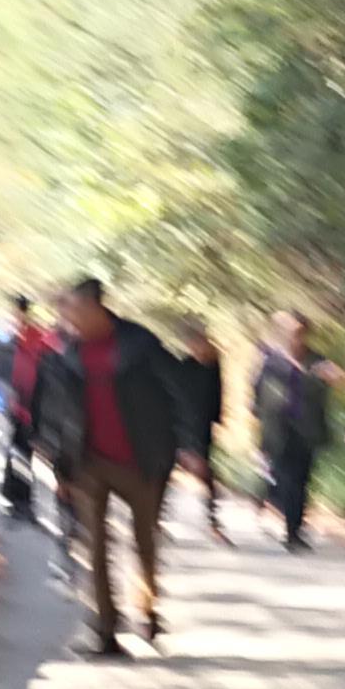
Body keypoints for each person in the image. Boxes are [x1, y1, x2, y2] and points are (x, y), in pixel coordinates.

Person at [32, 274, 182, 656]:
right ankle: (105, 631)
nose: (68, 317)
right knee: (94, 547)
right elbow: (53, 411)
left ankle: (146, 610)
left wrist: (187, 448)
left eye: (74, 309)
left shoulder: (140, 344)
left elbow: (177, 393)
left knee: (144, 542)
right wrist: (55, 461)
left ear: (96, 306)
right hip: (87, 463)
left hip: (141, 460)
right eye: (64, 310)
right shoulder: (63, 354)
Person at [250, 309, 337, 552]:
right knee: (287, 479)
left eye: (299, 332)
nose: (295, 336)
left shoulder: (317, 360)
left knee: (302, 481)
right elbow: (257, 394)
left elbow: (330, 386)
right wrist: (259, 422)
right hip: (278, 431)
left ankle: (294, 530)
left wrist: (330, 377)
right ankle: (291, 531)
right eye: (290, 331)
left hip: (307, 431)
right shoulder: (269, 360)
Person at [170, 317, 234, 545]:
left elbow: (218, 395)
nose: (201, 345)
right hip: (180, 428)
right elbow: (177, 402)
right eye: (196, 341)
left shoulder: (213, 365)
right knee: (167, 474)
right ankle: (157, 521)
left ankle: (212, 521)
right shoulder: (183, 367)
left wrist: (218, 419)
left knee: (206, 477)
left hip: (202, 428)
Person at [0, 294, 54, 527]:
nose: (13, 317)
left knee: (23, 454)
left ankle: (21, 501)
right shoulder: (13, 341)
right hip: (17, 407)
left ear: (23, 312)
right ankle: (18, 501)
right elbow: (3, 371)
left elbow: (44, 370)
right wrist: (7, 395)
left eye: (16, 312)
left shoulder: (35, 337)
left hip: (33, 407)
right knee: (18, 454)